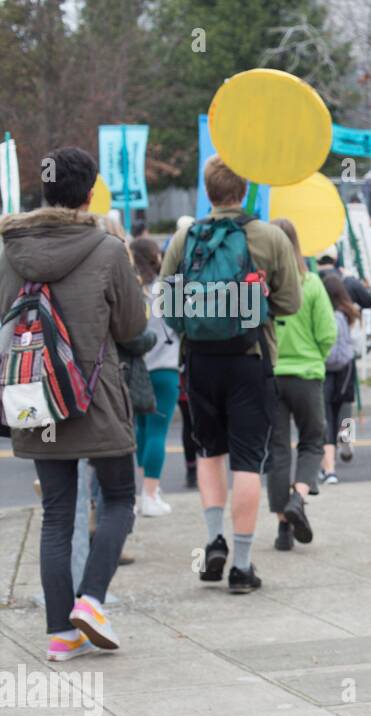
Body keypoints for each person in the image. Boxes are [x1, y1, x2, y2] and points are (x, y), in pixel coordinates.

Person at [0, 147, 147, 660]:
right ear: (88, 194)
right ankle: (92, 598)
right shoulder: (107, 248)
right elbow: (132, 326)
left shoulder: (9, 250)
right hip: (96, 397)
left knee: (56, 514)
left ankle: (61, 634)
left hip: (36, 397)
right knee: (119, 500)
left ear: (43, 191)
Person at [160, 156, 302, 594]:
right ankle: (241, 566)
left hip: (200, 360)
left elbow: (167, 304)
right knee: (246, 460)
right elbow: (291, 302)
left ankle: (213, 540)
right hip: (250, 357)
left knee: (209, 452)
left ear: (208, 190)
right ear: (243, 188)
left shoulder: (186, 237)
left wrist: (195, 327)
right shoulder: (269, 237)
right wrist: (255, 306)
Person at [267, 219, 336, 551]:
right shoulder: (310, 284)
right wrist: (314, 358)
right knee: (312, 442)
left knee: (277, 450)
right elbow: (327, 335)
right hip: (307, 375)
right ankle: (299, 497)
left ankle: (283, 528)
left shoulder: (260, 286)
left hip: (270, 376)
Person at [130, 236, 181, 517]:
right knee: (158, 432)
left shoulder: (132, 291)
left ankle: (144, 491)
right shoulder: (167, 291)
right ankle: (150, 493)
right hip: (166, 368)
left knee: (142, 430)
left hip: (138, 369)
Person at [320, 272, 360, 484]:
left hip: (324, 367)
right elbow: (357, 344)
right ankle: (347, 439)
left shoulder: (321, 313)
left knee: (326, 416)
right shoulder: (351, 313)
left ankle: (329, 469)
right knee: (345, 410)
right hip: (346, 368)